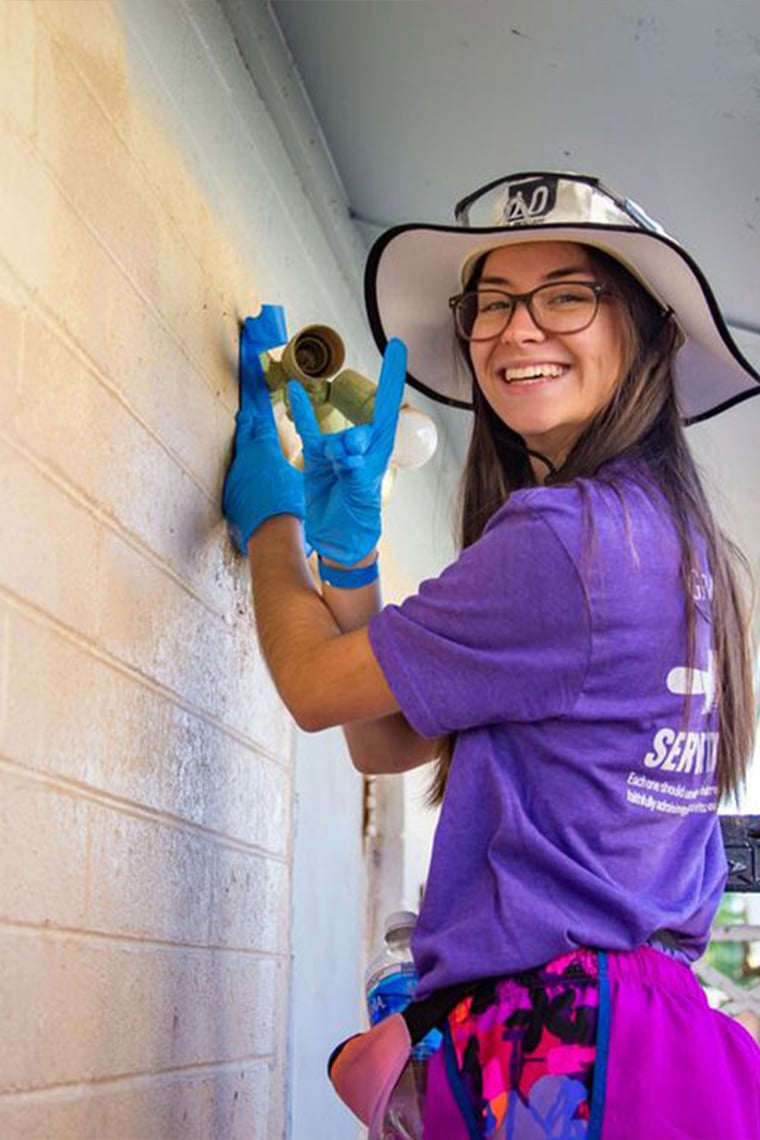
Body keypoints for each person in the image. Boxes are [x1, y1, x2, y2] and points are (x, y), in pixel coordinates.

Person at [222, 172, 760, 1139]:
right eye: (494, 303)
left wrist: (270, 520)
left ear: (649, 332)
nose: (518, 332)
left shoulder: (568, 541)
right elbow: (384, 742)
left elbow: (311, 691)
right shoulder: (673, 541)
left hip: (562, 1056)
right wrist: (350, 559)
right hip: (637, 1044)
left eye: (567, 296)